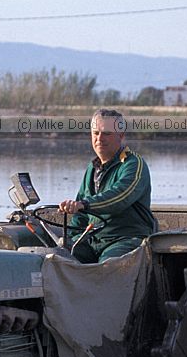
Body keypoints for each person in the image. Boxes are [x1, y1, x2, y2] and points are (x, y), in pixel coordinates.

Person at [59, 109, 155, 263]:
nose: (99, 138)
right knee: (58, 255)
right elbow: (81, 217)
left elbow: (120, 197)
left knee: (108, 265)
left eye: (107, 133)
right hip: (94, 239)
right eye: (95, 133)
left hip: (126, 238)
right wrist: (67, 238)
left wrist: (84, 205)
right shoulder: (92, 168)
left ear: (121, 136)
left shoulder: (134, 164)